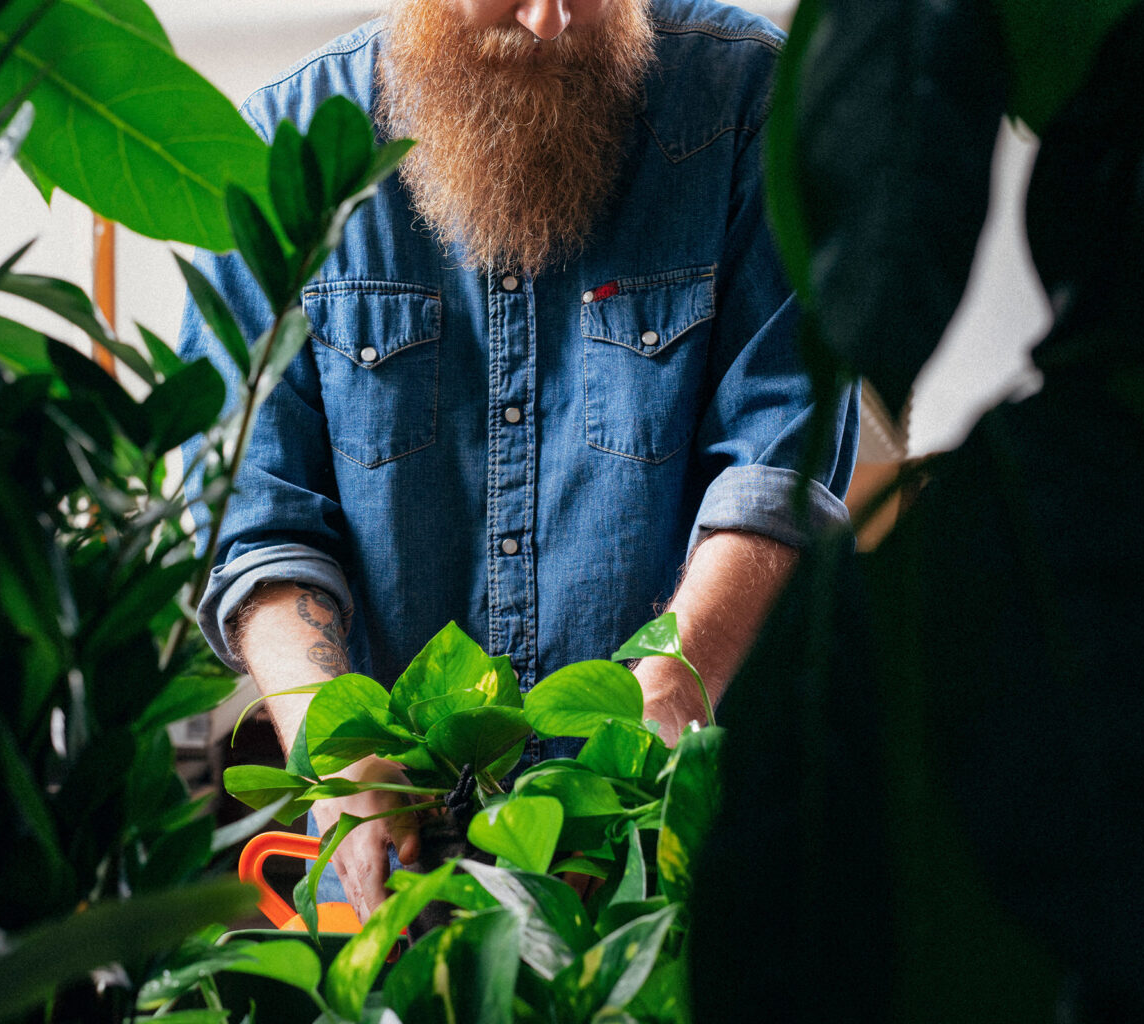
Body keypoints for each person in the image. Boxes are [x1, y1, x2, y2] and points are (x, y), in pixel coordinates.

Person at [179, 0, 858, 920]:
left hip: (666, 855)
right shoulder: (279, 152)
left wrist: (665, 698)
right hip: (391, 885)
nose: (549, 19)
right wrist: (340, 749)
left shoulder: (752, 108)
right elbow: (257, 519)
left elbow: (777, 470)